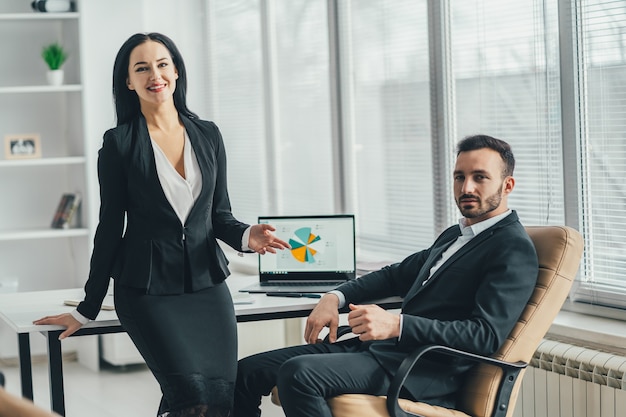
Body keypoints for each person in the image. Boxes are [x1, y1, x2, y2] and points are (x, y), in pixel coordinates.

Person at [34, 32, 289, 417]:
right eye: (142, 68)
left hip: (208, 288)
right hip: (147, 291)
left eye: (162, 64)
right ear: (128, 81)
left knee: (220, 402)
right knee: (194, 400)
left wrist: (245, 235)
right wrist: (88, 307)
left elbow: (218, 215)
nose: (155, 74)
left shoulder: (208, 134)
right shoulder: (119, 143)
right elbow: (109, 229)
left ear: (176, 71)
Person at [234, 134, 539, 417]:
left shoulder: (511, 247)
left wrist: (396, 324)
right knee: (246, 372)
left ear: (507, 185)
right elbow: (395, 276)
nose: (466, 188)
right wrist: (335, 296)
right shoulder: (457, 235)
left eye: (480, 177)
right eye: (460, 176)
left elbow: (483, 335)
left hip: (420, 371)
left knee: (298, 374)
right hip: (380, 351)